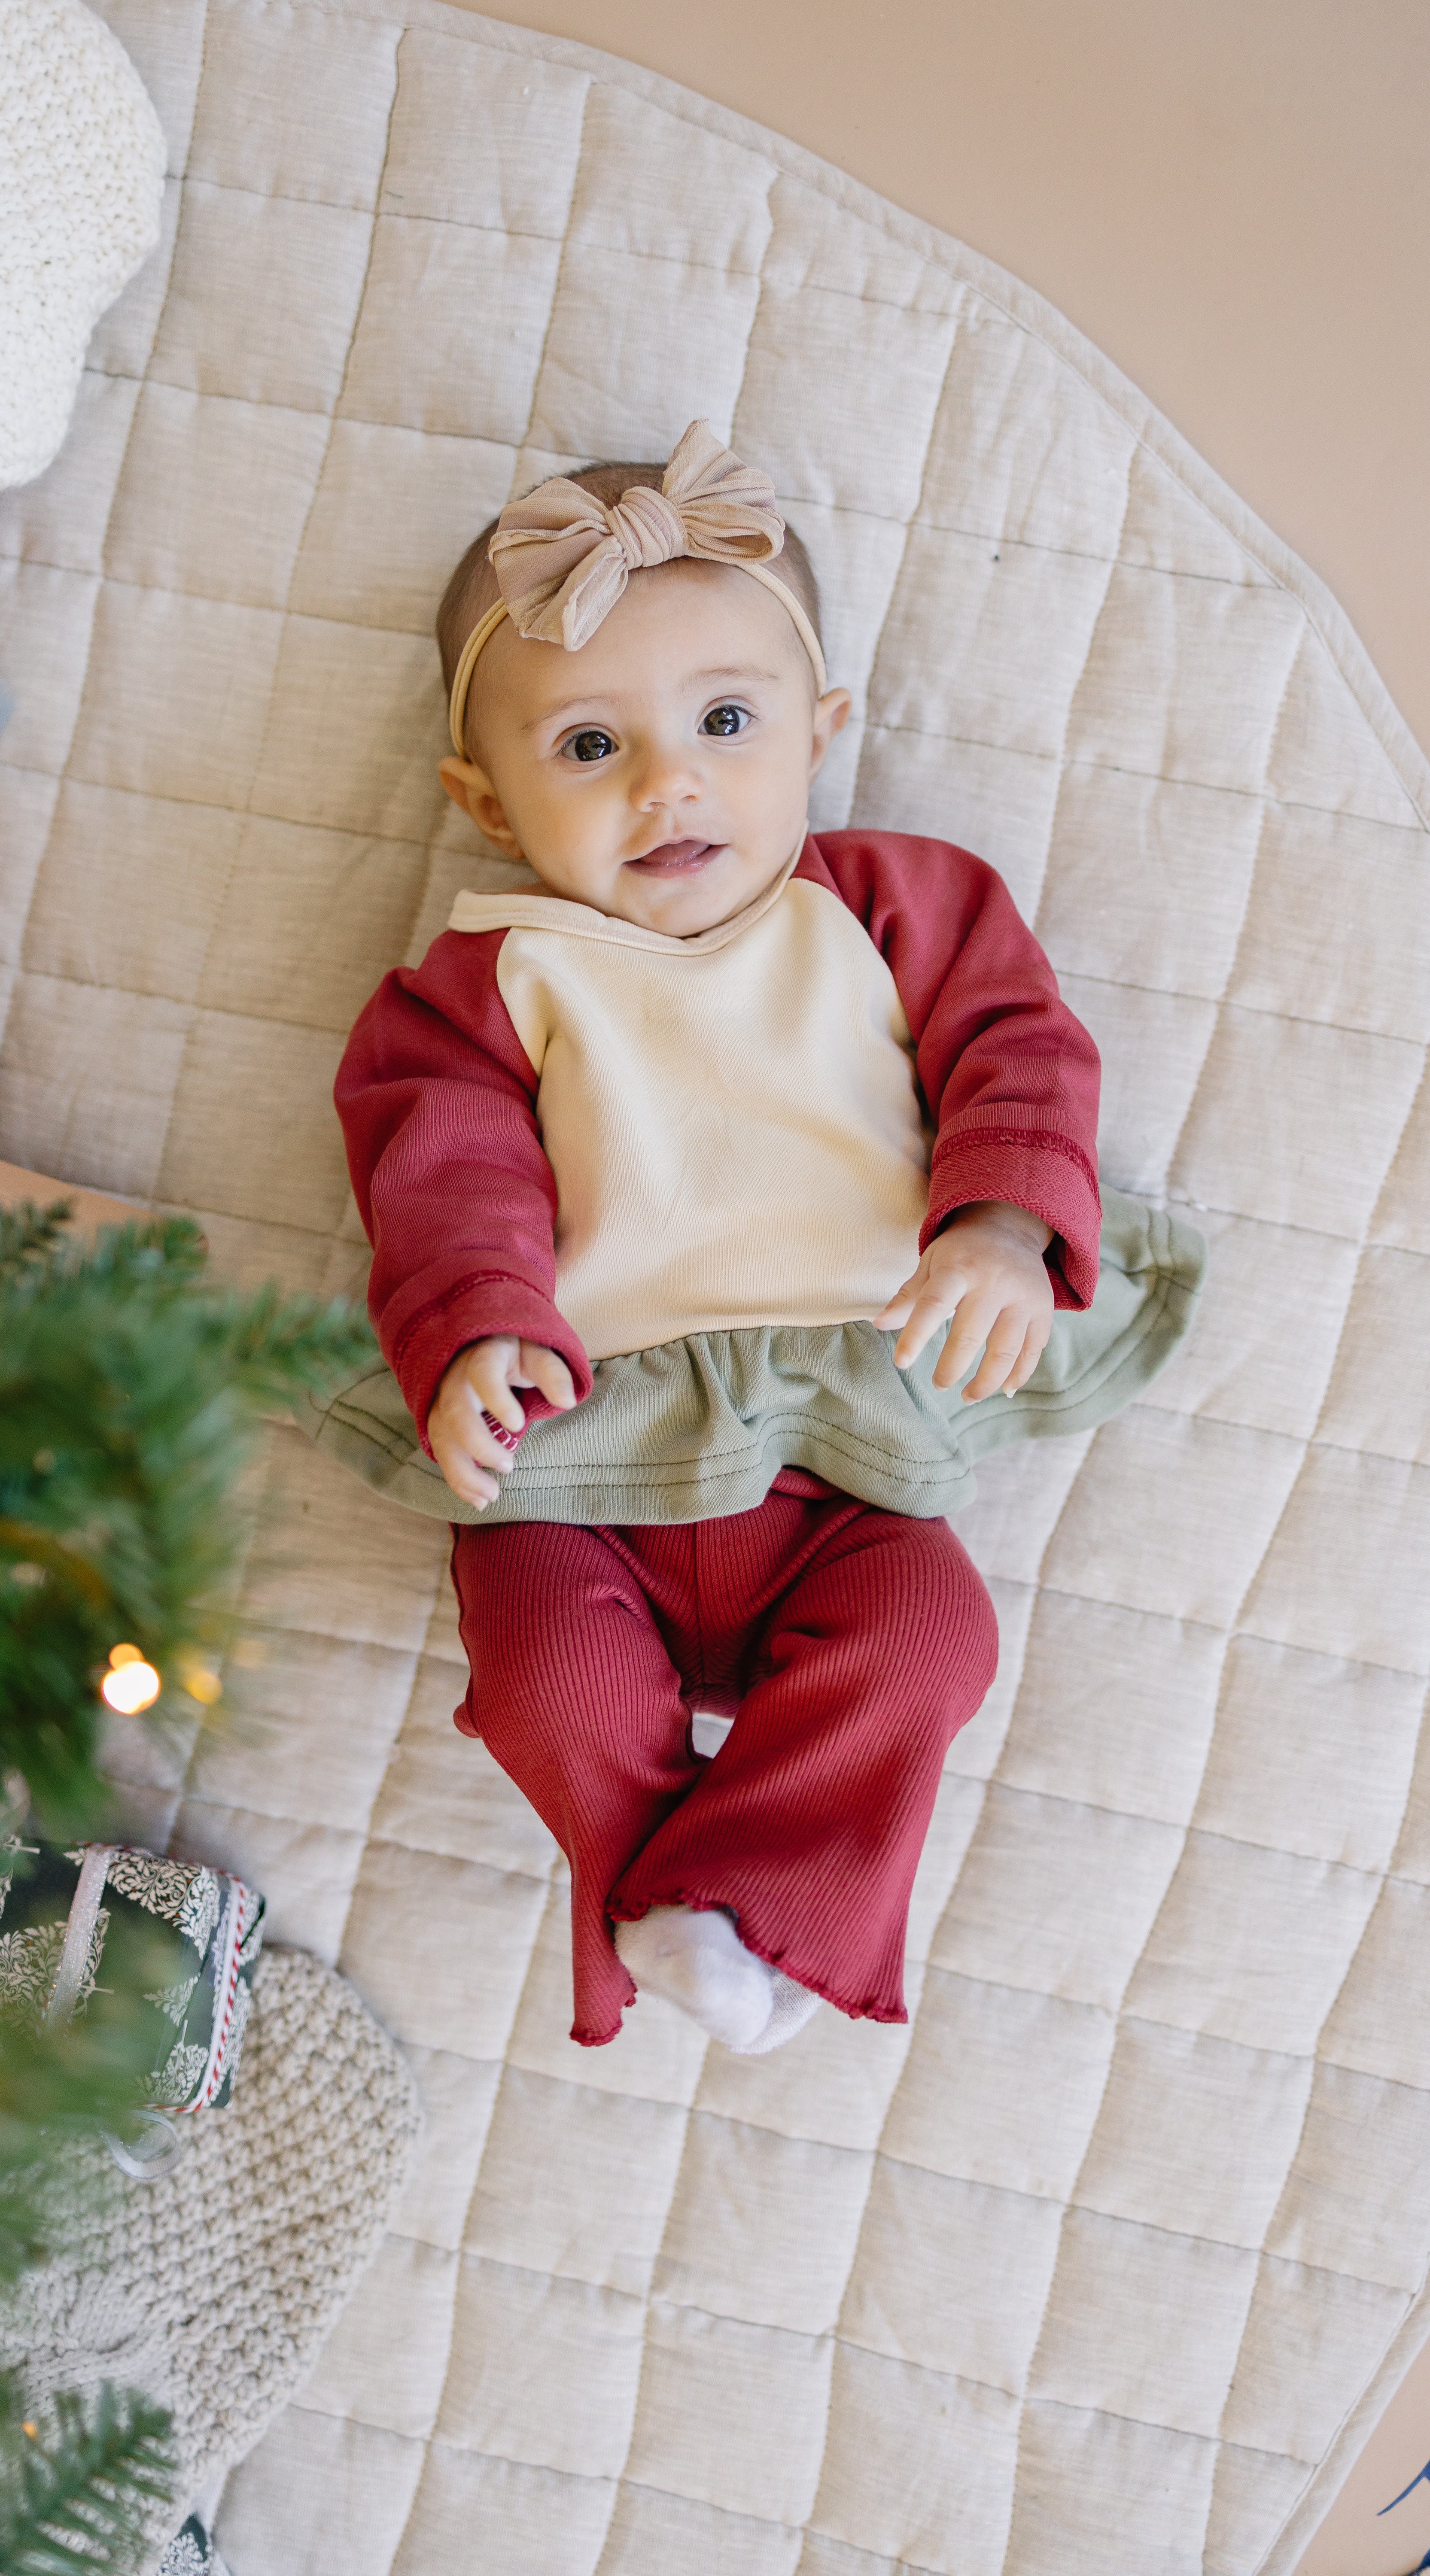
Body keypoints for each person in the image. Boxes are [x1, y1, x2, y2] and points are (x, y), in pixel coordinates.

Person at [329, 422, 1201, 2056]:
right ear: (485, 803)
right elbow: (442, 1175)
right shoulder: (485, 981)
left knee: (934, 1641)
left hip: (844, 1458)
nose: (668, 783)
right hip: (584, 1463)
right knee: (542, 1680)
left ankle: (729, 1906)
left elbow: (1018, 1048)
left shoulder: (887, 906)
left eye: (726, 723)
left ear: (822, 732)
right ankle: (715, 1914)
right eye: (590, 746)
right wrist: (479, 1328)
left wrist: (1000, 1225)